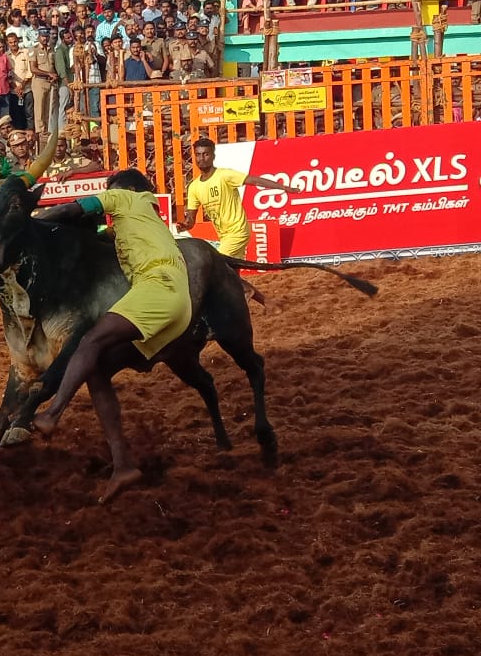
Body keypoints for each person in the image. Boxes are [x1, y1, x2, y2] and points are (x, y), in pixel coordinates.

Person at [30, 168, 192, 503]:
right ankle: (123, 465)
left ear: (123, 189)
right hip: (178, 300)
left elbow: (73, 209)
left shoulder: (123, 196)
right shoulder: (146, 217)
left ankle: (52, 413)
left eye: (110, 190)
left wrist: (31, 223)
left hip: (157, 288)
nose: (108, 197)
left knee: (90, 341)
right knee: (98, 368)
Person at [176, 138, 301, 261]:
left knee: (217, 263)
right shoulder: (194, 187)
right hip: (224, 236)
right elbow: (191, 220)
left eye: (206, 154)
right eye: (198, 155)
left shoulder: (224, 175)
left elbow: (254, 180)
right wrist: (185, 225)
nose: (201, 159)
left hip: (238, 232)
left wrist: (283, 187)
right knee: (232, 275)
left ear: (213, 156)